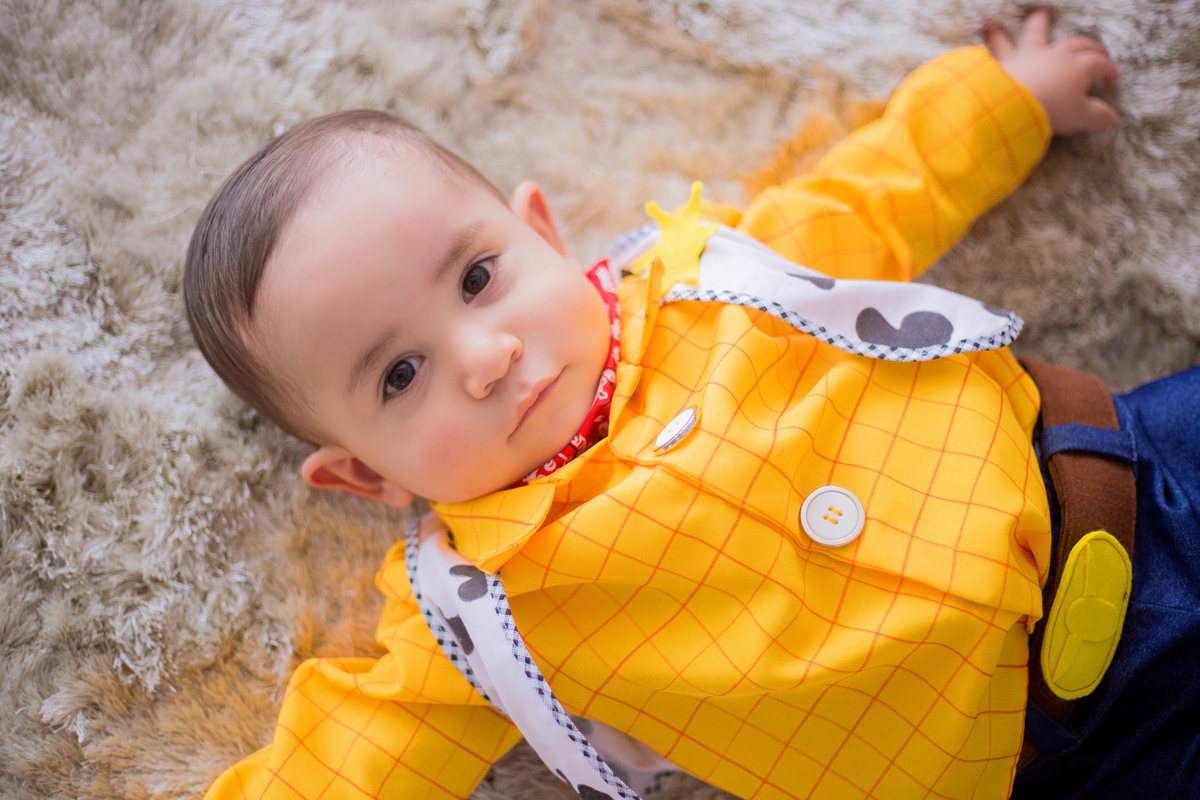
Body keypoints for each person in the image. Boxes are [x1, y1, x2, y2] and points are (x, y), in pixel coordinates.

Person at [185, 9, 1198, 799]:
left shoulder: (704, 282)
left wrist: (1003, 102)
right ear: (364, 474)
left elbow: (874, 196)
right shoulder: (476, 613)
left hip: (1129, 468)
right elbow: (353, 756)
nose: (485, 357)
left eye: (479, 277)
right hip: (1082, 755)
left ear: (542, 233)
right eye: (400, 375)